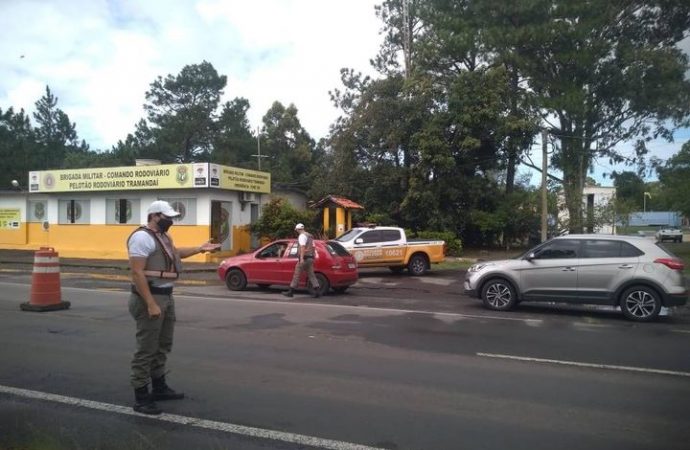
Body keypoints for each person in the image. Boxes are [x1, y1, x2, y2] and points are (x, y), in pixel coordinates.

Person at [127, 200, 220, 415]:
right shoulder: (142, 237)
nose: (170, 221)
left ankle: (159, 387)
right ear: (154, 216)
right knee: (147, 348)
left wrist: (199, 249)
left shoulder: (163, 237)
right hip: (150, 297)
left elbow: (176, 254)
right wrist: (150, 303)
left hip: (166, 296)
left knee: (162, 345)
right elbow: (137, 273)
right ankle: (141, 396)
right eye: (166, 217)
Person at [282, 223, 320, 298]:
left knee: (297, 274)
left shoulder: (302, 236)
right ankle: (317, 290)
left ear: (298, 229)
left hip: (305, 258)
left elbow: (302, 247)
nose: (296, 231)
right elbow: (313, 247)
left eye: (296, 230)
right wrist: (313, 256)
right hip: (311, 258)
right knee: (311, 275)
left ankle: (291, 291)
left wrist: (301, 258)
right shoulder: (310, 236)